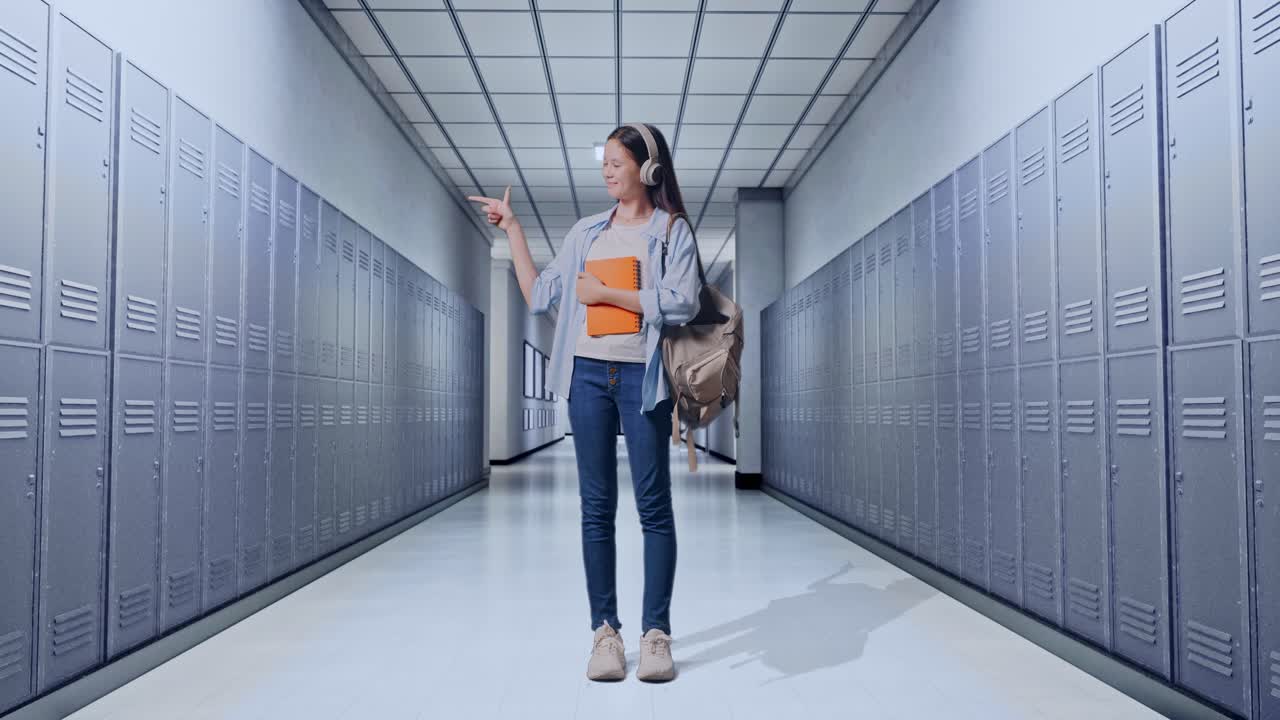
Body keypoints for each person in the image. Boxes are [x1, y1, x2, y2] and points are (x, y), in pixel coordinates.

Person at [468, 123, 702, 683]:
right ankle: (605, 633)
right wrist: (514, 230)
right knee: (596, 507)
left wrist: (608, 293)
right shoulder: (586, 233)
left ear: (647, 169)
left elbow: (684, 301)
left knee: (653, 506)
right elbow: (540, 295)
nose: (607, 173)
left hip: (643, 377)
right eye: (605, 164)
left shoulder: (671, 231)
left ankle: (656, 635)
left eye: (617, 163)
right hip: (588, 375)